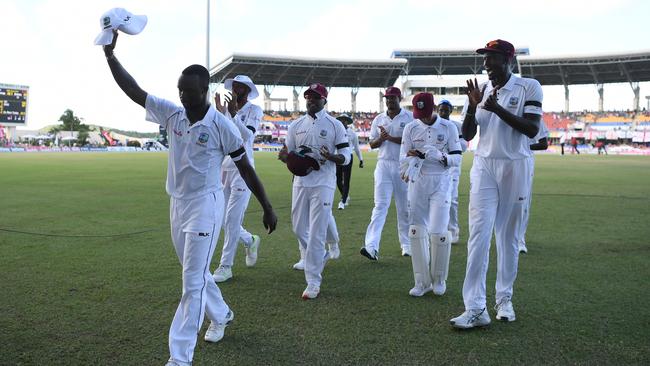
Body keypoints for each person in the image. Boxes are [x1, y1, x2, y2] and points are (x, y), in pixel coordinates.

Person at [101, 31, 277, 366]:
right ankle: (222, 313)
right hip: (177, 205)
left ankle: (179, 357)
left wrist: (267, 206)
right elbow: (135, 91)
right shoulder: (172, 113)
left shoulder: (225, 127)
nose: (182, 96)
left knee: (191, 283)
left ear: (205, 91)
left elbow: (246, 168)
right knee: (195, 273)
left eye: (189, 91)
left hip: (205, 206)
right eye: (180, 90)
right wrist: (110, 57)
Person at [450, 39, 543, 329]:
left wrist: (496, 108)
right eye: (485, 59)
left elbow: (531, 129)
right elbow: (466, 135)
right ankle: (476, 307)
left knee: (508, 237)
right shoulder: (482, 91)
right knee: (478, 234)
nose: (486, 65)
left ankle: (504, 299)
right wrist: (472, 107)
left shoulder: (529, 86)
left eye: (492, 59)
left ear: (508, 60)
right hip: (484, 166)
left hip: (515, 165)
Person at [285, 83, 351, 299]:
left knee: (316, 231)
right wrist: (288, 159)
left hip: (324, 182)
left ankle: (313, 281)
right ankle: (321, 252)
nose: (311, 101)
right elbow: (289, 152)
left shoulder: (334, 125)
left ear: (324, 100)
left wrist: (331, 157)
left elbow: (345, 155)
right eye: (308, 97)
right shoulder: (296, 125)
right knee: (297, 227)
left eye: (315, 97)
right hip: (300, 182)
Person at [401, 93, 462, 297]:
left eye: (426, 113)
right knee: (416, 231)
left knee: (438, 231)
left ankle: (439, 279)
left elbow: (457, 158)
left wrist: (441, 156)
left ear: (434, 108)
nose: (424, 118)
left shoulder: (448, 127)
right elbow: (403, 155)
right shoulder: (411, 127)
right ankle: (421, 281)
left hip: (441, 182)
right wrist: (411, 163)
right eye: (420, 114)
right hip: (418, 181)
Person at [211, 75, 264, 283]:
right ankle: (250, 240)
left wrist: (233, 114)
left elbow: (247, 136)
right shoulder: (223, 110)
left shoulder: (254, 110)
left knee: (232, 220)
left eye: (240, 87)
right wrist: (219, 114)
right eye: (234, 86)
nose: (235, 89)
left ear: (247, 91)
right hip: (223, 168)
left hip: (244, 169)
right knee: (222, 218)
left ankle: (226, 266)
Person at [360, 87, 413, 260]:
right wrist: (381, 139)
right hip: (383, 165)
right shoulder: (378, 119)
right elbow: (372, 144)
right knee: (380, 206)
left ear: (399, 98)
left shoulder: (409, 117)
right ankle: (371, 246)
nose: (389, 101)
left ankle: (406, 245)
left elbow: (410, 143)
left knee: (403, 207)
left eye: (392, 98)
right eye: (387, 98)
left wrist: (390, 138)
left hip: (402, 165)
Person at [437, 100, 468, 244]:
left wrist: (451, 146)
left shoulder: (457, 126)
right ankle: (439, 229)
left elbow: (464, 146)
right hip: (436, 165)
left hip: (453, 166)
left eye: (446, 110)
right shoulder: (434, 124)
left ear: (450, 111)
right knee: (438, 199)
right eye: (441, 110)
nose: (443, 113)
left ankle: (453, 230)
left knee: (453, 199)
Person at [519, 121, 548, 254]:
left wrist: (524, 147)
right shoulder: (504, 113)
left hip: (524, 163)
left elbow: (544, 143)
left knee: (522, 204)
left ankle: (520, 240)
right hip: (502, 163)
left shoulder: (536, 119)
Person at [335, 113, 364, 210]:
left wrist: (361, 159)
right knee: (338, 179)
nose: (342, 121)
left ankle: (343, 201)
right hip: (338, 157)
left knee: (346, 180)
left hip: (348, 157)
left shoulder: (352, 133)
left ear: (347, 122)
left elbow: (356, 148)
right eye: (341, 120)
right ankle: (345, 195)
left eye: (345, 120)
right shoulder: (336, 132)